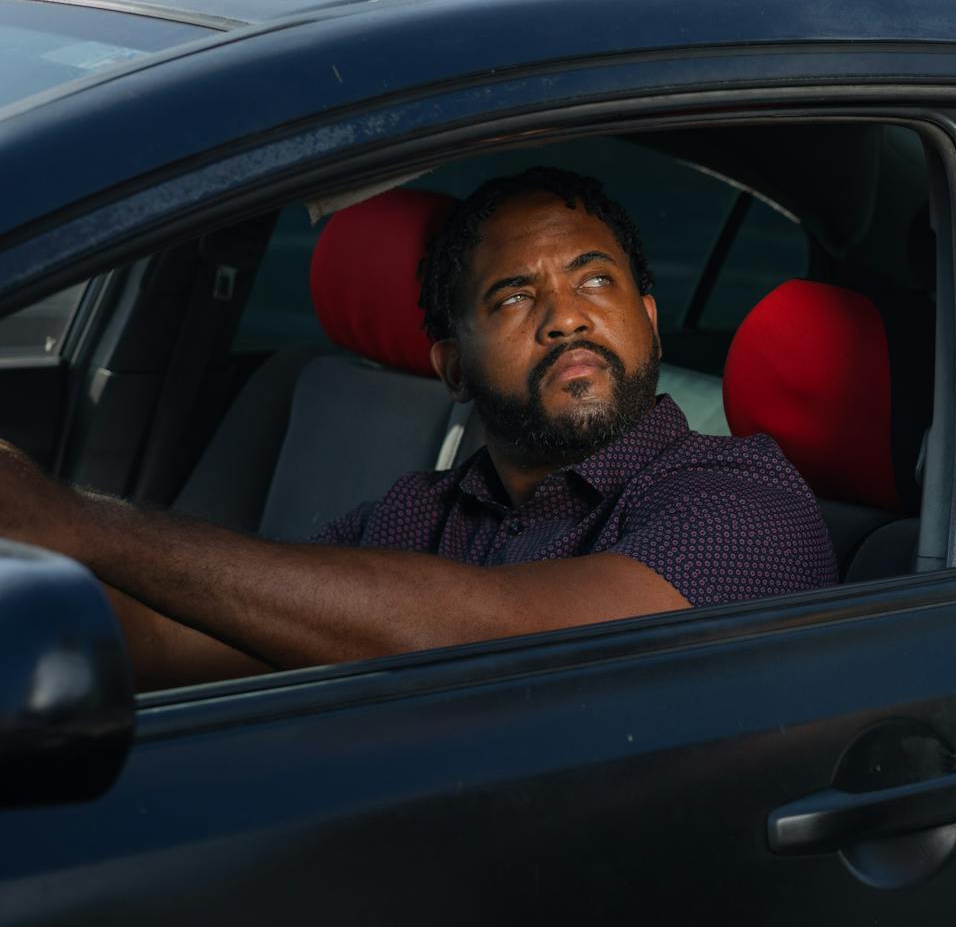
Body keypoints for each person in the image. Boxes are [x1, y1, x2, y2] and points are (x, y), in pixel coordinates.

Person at [0, 167, 838, 691]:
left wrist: (77, 523)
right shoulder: (418, 515)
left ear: (649, 322)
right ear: (451, 366)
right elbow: (205, 632)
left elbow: (507, 642)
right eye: (513, 297)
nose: (564, 320)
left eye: (595, 283)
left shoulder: (742, 500)